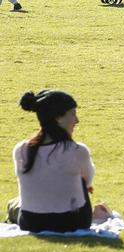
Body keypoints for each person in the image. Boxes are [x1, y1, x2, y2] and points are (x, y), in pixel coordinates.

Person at [7, 90, 114, 233]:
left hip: (31, 222)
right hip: (73, 222)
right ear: (58, 118)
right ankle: (97, 214)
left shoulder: (20, 149)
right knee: (80, 181)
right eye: (73, 114)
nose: (77, 120)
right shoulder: (78, 151)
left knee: (14, 203)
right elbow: (88, 182)